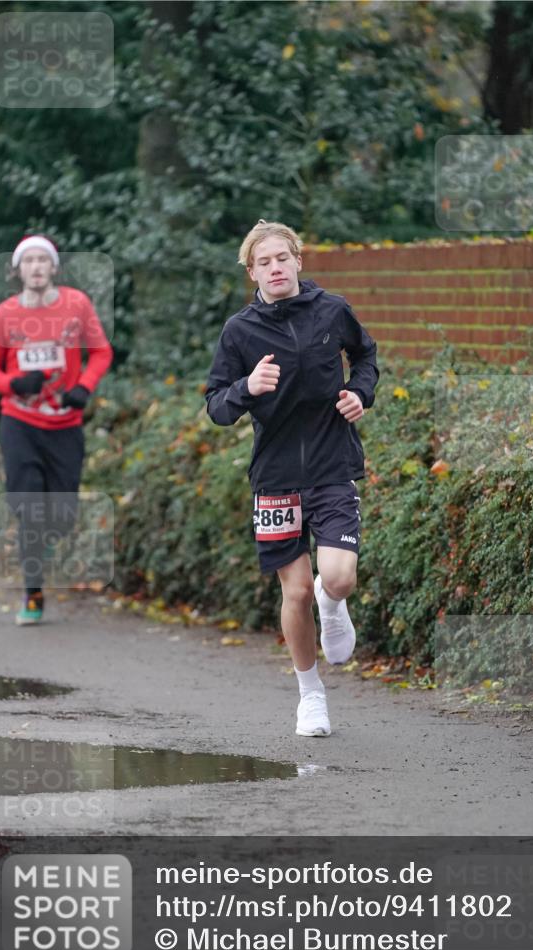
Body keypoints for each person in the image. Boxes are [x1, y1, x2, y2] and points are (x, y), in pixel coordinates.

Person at [205, 220, 379, 737]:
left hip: (331, 464)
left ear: (298, 261)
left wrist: (359, 393)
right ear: (251, 271)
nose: (275, 267)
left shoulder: (332, 310)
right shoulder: (240, 331)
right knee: (296, 591)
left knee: (339, 577)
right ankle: (311, 698)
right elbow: (215, 404)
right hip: (276, 475)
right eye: (264, 261)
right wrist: (246, 387)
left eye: (283, 257)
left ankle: (335, 604)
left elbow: (365, 355)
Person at [0, 234, 113, 625]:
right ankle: (32, 593)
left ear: (53, 266)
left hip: (64, 423)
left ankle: (46, 545)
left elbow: (101, 352)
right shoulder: (5, 314)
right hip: (19, 422)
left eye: (42, 260)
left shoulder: (76, 304)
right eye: (28, 261)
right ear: (18, 270)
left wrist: (84, 386)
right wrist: (13, 385)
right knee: (28, 506)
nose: (36, 267)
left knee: (63, 512)